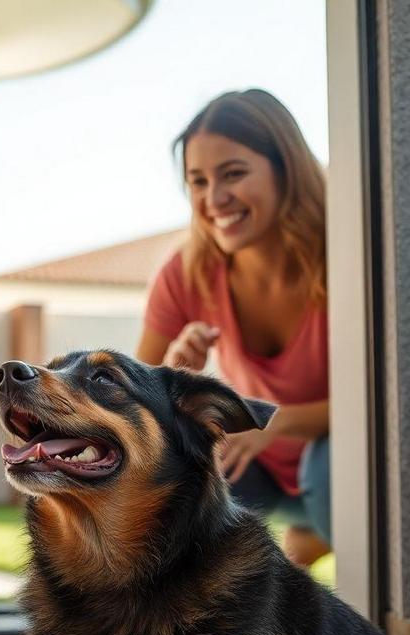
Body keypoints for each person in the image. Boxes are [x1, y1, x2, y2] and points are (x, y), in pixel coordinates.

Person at [136, 89, 331, 567]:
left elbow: (381, 404)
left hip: (340, 471)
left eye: (234, 174)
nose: (214, 199)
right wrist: (175, 375)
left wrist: (272, 425)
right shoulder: (187, 272)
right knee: (183, 462)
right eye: (198, 181)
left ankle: (317, 533)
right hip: (258, 470)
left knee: (328, 468)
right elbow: (134, 400)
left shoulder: (347, 253)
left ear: (286, 168)